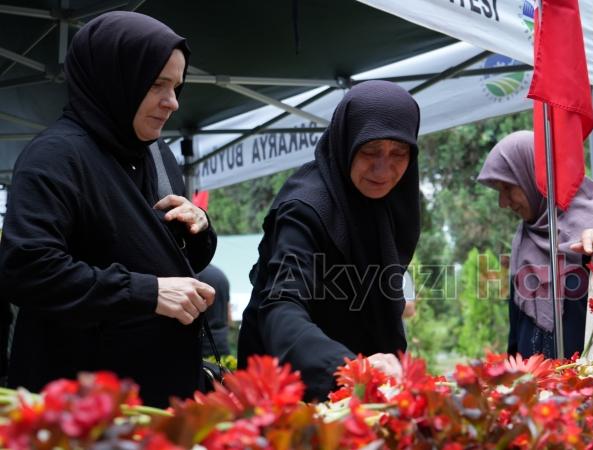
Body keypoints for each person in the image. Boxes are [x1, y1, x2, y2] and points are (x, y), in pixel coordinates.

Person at [0, 12, 217, 407]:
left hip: (159, 407)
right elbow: (28, 268)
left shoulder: (155, 152)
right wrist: (146, 291)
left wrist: (199, 228)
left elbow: (175, 259)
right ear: (116, 80)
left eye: (176, 87)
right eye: (157, 85)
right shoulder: (56, 156)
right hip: (79, 414)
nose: (171, 103)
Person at [238, 80, 420, 401]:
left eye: (399, 153)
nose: (383, 169)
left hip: (361, 394)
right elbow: (281, 306)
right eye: (369, 151)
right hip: (291, 393)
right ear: (345, 142)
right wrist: (348, 368)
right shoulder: (304, 209)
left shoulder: (387, 204)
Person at [477, 131, 593, 359]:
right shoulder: (526, 233)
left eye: (508, 187)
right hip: (535, 384)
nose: (503, 203)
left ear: (537, 176)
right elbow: (516, 329)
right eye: (499, 191)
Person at [198, 264, 231, 357]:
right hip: (222, 342)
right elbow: (229, 315)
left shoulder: (195, 275)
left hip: (203, 346)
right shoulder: (221, 275)